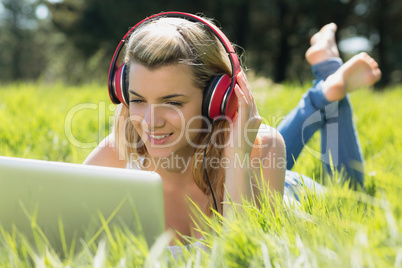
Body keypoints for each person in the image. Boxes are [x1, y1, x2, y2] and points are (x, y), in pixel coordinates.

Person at [83, 15, 381, 246]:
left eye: (171, 102)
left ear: (217, 99)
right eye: (137, 100)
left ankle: (329, 75)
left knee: (351, 196)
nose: (150, 121)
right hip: (252, 160)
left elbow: (246, 250)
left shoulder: (261, 149)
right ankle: (327, 87)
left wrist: (238, 152)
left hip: (289, 191)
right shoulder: (114, 157)